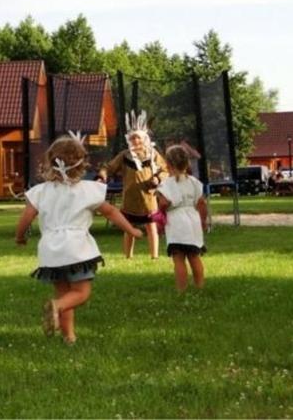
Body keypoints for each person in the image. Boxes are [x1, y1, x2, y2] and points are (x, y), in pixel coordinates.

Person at [15, 133, 143, 345]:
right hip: (77, 249)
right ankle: (56, 308)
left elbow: (27, 216)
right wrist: (131, 230)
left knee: (64, 293)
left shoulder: (41, 192)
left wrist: (20, 236)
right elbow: (111, 212)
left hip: (51, 251)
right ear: (82, 164)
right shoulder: (88, 191)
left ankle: (69, 337)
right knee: (81, 293)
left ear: (50, 162)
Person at [106, 110, 168, 259]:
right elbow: (110, 167)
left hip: (148, 198)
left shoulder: (153, 154)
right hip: (130, 199)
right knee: (129, 228)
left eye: (138, 138)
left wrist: (157, 179)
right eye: (132, 138)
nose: (136, 141)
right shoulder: (124, 155)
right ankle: (128, 256)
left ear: (145, 138)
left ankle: (154, 256)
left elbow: (165, 169)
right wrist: (102, 175)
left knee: (151, 227)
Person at [156, 145, 207, 293]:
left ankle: (181, 289)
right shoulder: (194, 182)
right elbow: (201, 203)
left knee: (178, 258)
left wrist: (161, 213)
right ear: (187, 163)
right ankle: (200, 286)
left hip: (176, 221)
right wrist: (203, 221)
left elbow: (164, 203)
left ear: (168, 164)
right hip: (193, 220)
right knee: (194, 256)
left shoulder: (165, 184)